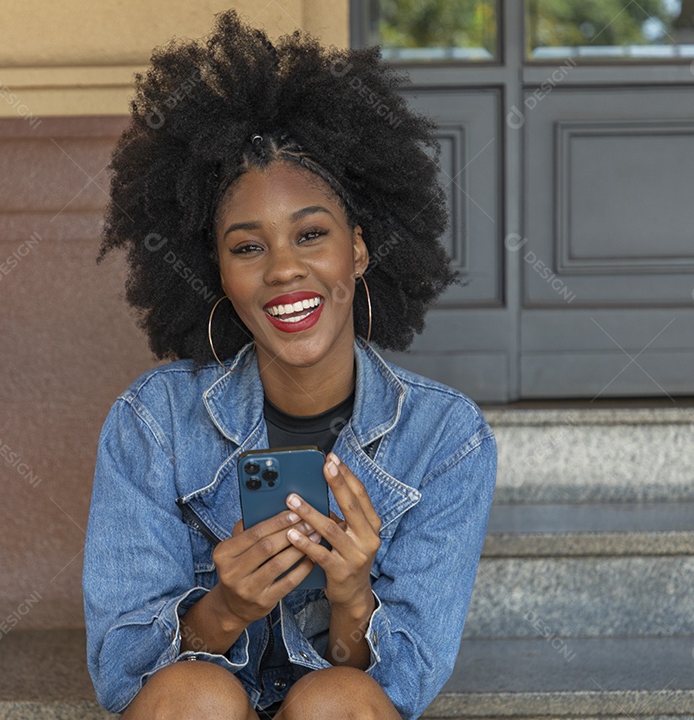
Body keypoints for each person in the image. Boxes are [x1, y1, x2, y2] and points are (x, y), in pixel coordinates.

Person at [83, 11, 497, 719]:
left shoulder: (447, 438)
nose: (284, 270)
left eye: (310, 235)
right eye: (247, 247)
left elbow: (403, 685)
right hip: (195, 698)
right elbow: (123, 673)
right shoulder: (152, 422)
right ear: (217, 272)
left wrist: (352, 597)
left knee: (337, 699)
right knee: (194, 694)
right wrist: (222, 610)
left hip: (338, 698)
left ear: (359, 250)